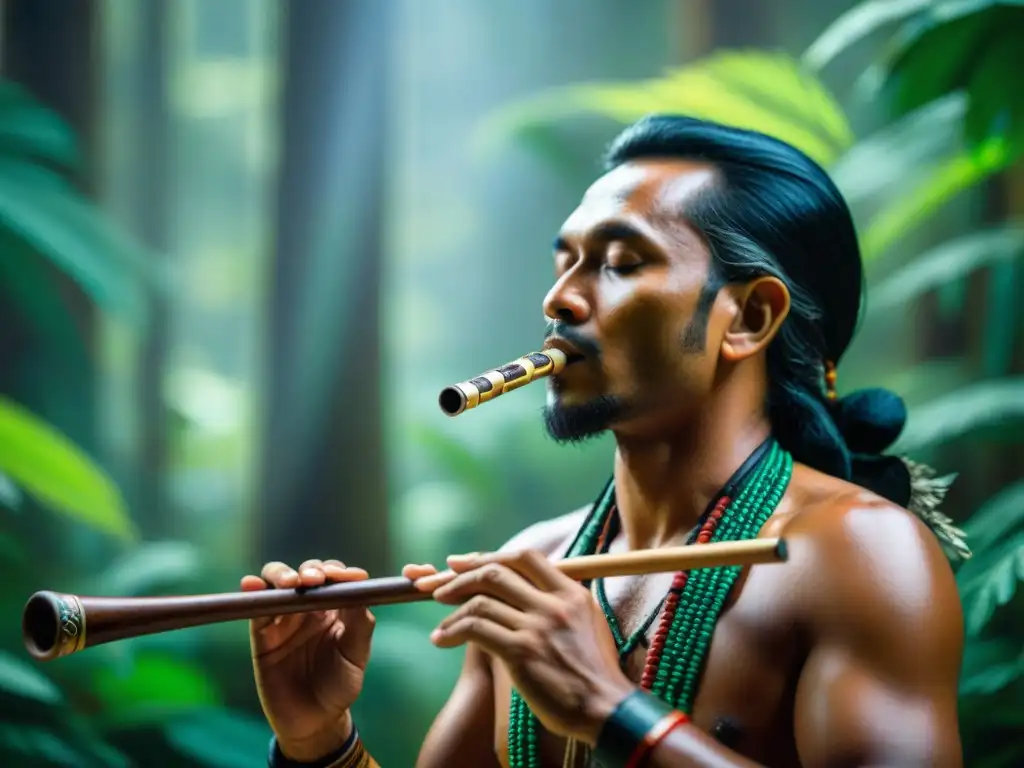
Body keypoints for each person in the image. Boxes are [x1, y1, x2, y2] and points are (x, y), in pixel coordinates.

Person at [244, 115, 970, 768]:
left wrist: (612, 711)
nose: (560, 298)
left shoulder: (857, 556)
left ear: (748, 316)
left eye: (621, 263)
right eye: (566, 261)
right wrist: (320, 744)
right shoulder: (538, 566)